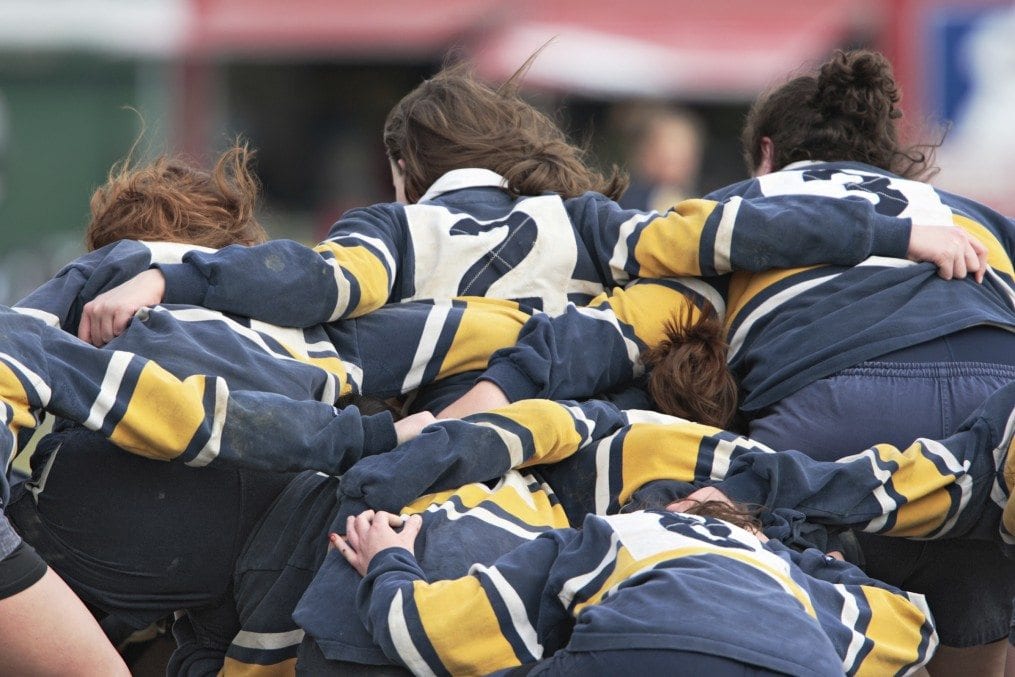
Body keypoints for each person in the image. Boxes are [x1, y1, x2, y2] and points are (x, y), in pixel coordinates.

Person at [443, 49, 1015, 675]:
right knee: (976, 617)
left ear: (767, 154)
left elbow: (644, 318)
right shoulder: (971, 215)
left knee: (780, 605)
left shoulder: (742, 207)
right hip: (996, 397)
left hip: (830, 403)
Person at [74, 61, 984, 359]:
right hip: (572, 476)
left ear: (401, 167)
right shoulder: (590, 222)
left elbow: (307, 283)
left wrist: (169, 271)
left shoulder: (388, 230)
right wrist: (899, 230)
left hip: (412, 469)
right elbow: (739, 228)